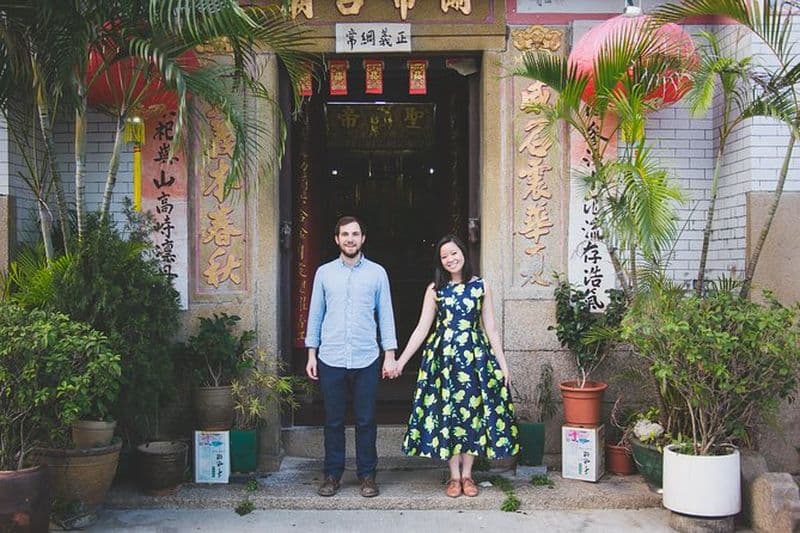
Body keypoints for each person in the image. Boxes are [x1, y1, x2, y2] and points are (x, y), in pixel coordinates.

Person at [387, 234, 518, 498]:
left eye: (453, 253)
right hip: (443, 360)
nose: (450, 259)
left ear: (463, 254)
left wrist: (503, 365)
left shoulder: (481, 286)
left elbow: (490, 327)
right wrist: (401, 360)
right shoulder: (435, 290)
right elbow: (422, 329)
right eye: (444, 256)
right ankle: (454, 476)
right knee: (447, 412)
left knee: (471, 414)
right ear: (440, 261)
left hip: (474, 358)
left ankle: (468, 475)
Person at [305, 216, 398, 498]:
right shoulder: (324, 273)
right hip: (330, 356)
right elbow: (315, 314)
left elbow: (386, 315)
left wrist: (389, 354)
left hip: (366, 357)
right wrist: (312, 352)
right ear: (337, 239)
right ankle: (332, 474)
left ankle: (367, 475)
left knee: (366, 420)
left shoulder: (377, 273)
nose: (350, 239)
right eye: (345, 234)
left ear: (363, 238)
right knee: (333, 421)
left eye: (355, 234)